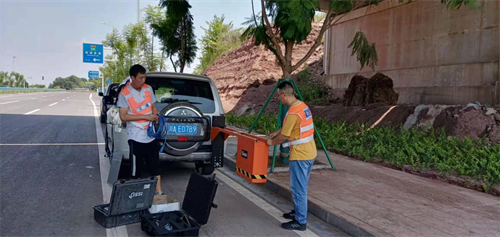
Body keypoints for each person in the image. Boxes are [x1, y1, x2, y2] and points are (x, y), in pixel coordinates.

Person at [266, 81, 317, 231]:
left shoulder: (293, 113)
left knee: (298, 188)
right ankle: (297, 211)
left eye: (279, 96)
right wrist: (278, 131)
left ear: (284, 94)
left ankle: (300, 221)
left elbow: (284, 137)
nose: (279, 99)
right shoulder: (301, 106)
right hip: (309, 152)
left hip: (300, 155)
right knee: (301, 186)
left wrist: (272, 141)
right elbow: (291, 126)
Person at [117, 64, 163, 195]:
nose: (143, 80)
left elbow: (153, 106)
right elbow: (123, 116)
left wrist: (155, 114)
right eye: (140, 78)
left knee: (155, 166)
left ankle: (159, 192)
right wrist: (145, 116)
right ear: (132, 78)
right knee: (135, 170)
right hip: (135, 136)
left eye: (144, 78)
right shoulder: (124, 94)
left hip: (150, 135)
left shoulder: (148, 89)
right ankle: (135, 195)